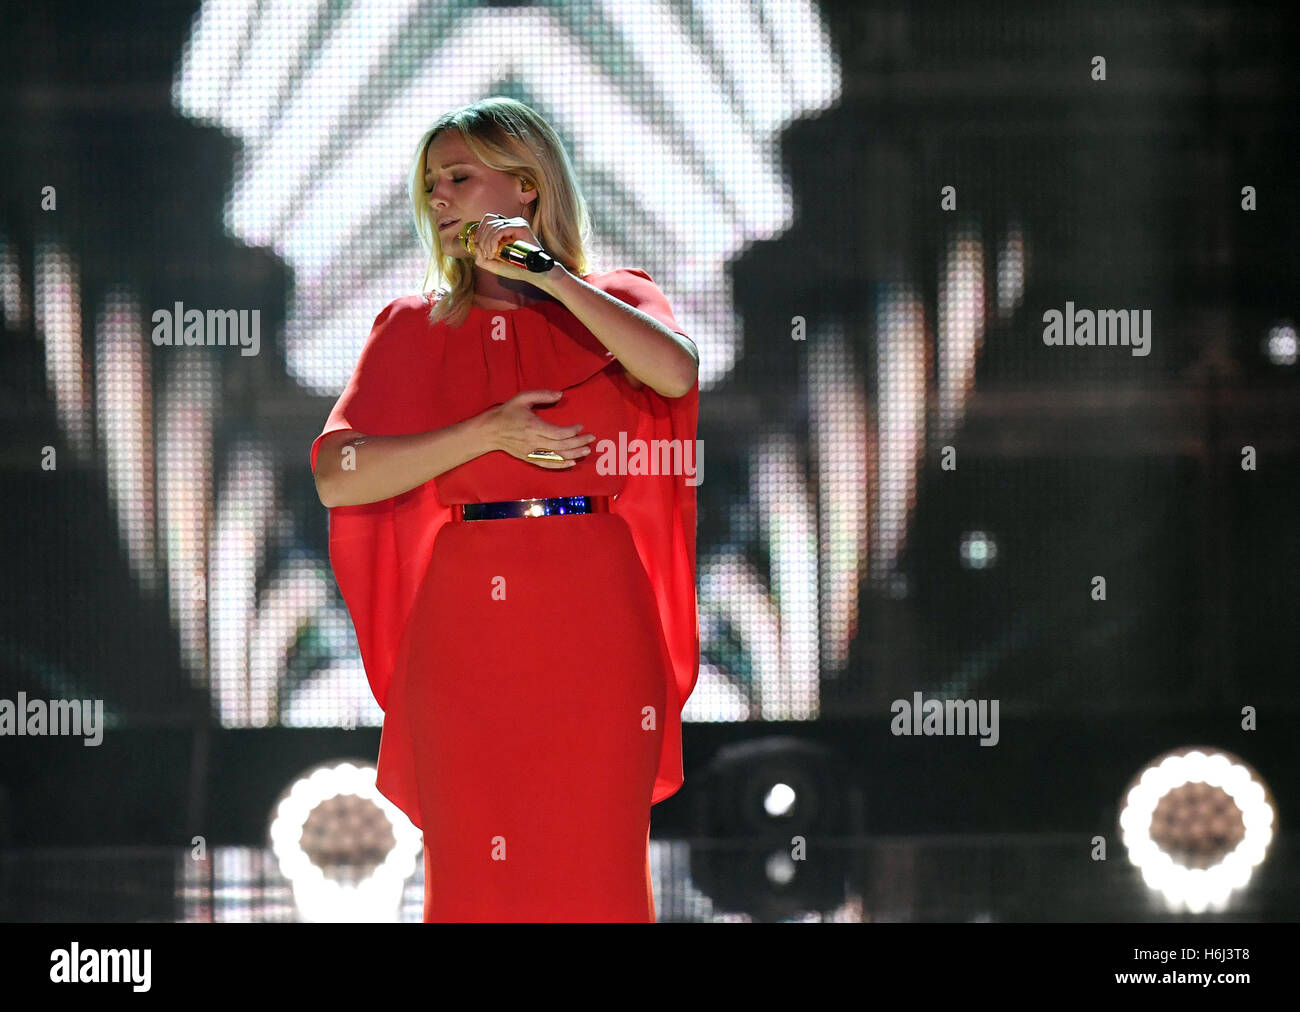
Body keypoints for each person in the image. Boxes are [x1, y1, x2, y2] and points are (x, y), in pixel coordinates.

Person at [310, 97, 700, 922]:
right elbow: (338, 473)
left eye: (458, 177)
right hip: (468, 623)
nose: (440, 200)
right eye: (431, 186)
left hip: (596, 613)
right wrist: (485, 433)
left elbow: (673, 372)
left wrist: (546, 275)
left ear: (526, 186)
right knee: (477, 873)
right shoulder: (414, 326)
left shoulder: (615, 299)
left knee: (598, 868)